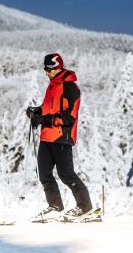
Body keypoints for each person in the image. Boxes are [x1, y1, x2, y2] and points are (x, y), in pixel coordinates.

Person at [26, 53, 93, 221]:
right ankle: (55, 207)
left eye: (49, 69)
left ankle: (85, 207)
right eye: (45, 69)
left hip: (62, 137)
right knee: (44, 174)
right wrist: (37, 112)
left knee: (66, 174)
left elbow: (69, 117)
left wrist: (45, 119)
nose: (46, 73)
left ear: (58, 68)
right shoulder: (52, 86)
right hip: (47, 137)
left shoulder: (71, 87)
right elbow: (49, 108)